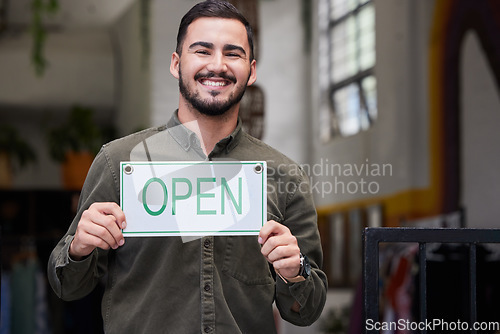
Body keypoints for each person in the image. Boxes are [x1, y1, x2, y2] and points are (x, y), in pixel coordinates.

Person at [47, 1, 327, 333]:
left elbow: (305, 311)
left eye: (233, 53)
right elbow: (68, 287)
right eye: (202, 50)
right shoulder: (119, 162)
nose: (217, 65)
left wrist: (296, 271)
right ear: (176, 63)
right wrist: (78, 249)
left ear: (251, 71)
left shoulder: (283, 176)